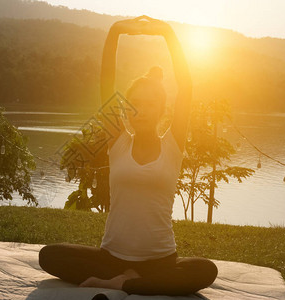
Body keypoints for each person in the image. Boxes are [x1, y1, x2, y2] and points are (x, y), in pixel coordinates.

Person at [38, 15, 218, 296]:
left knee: (206, 271)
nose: (142, 110)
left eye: (150, 104)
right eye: (135, 104)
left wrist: (167, 33)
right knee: (48, 256)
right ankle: (131, 280)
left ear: (161, 110)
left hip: (160, 261)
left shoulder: (173, 144)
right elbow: (107, 79)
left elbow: (186, 87)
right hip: (112, 258)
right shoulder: (118, 140)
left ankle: (124, 283)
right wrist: (115, 32)